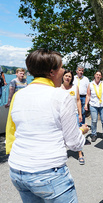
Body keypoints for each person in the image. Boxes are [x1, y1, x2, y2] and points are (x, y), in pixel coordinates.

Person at [5, 48, 89, 202]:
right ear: (52, 72)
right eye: (62, 67)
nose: (64, 71)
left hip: (18, 170)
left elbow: (12, 131)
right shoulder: (62, 96)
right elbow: (74, 143)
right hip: (48, 172)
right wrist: (81, 131)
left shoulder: (18, 95)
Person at [61, 70, 85, 165]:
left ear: (72, 78)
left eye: (69, 76)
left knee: (77, 134)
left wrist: (80, 114)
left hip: (73, 114)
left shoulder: (75, 87)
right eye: (66, 76)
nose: (67, 78)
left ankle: (80, 154)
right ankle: (62, 154)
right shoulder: (58, 88)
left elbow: (78, 100)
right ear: (63, 77)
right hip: (62, 115)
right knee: (61, 135)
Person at [84, 70, 103, 142]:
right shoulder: (91, 84)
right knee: (94, 121)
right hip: (93, 105)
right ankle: (93, 134)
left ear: (101, 76)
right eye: (97, 75)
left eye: (99, 75)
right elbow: (88, 95)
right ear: (94, 75)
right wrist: (86, 104)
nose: (98, 76)